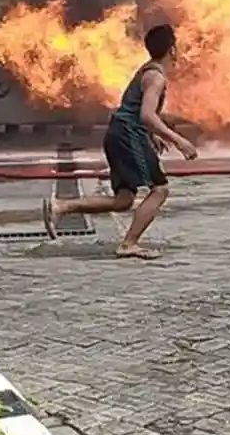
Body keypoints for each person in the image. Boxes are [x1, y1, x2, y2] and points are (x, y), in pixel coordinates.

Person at [42, 23, 198, 259]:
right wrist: (179, 141)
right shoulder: (155, 77)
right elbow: (146, 115)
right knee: (160, 190)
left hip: (119, 133)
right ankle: (128, 244)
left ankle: (62, 206)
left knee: (123, 200)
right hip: (127, 135)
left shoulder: (146, 71)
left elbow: (134, 109)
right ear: (172, 50)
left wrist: (152, 134)